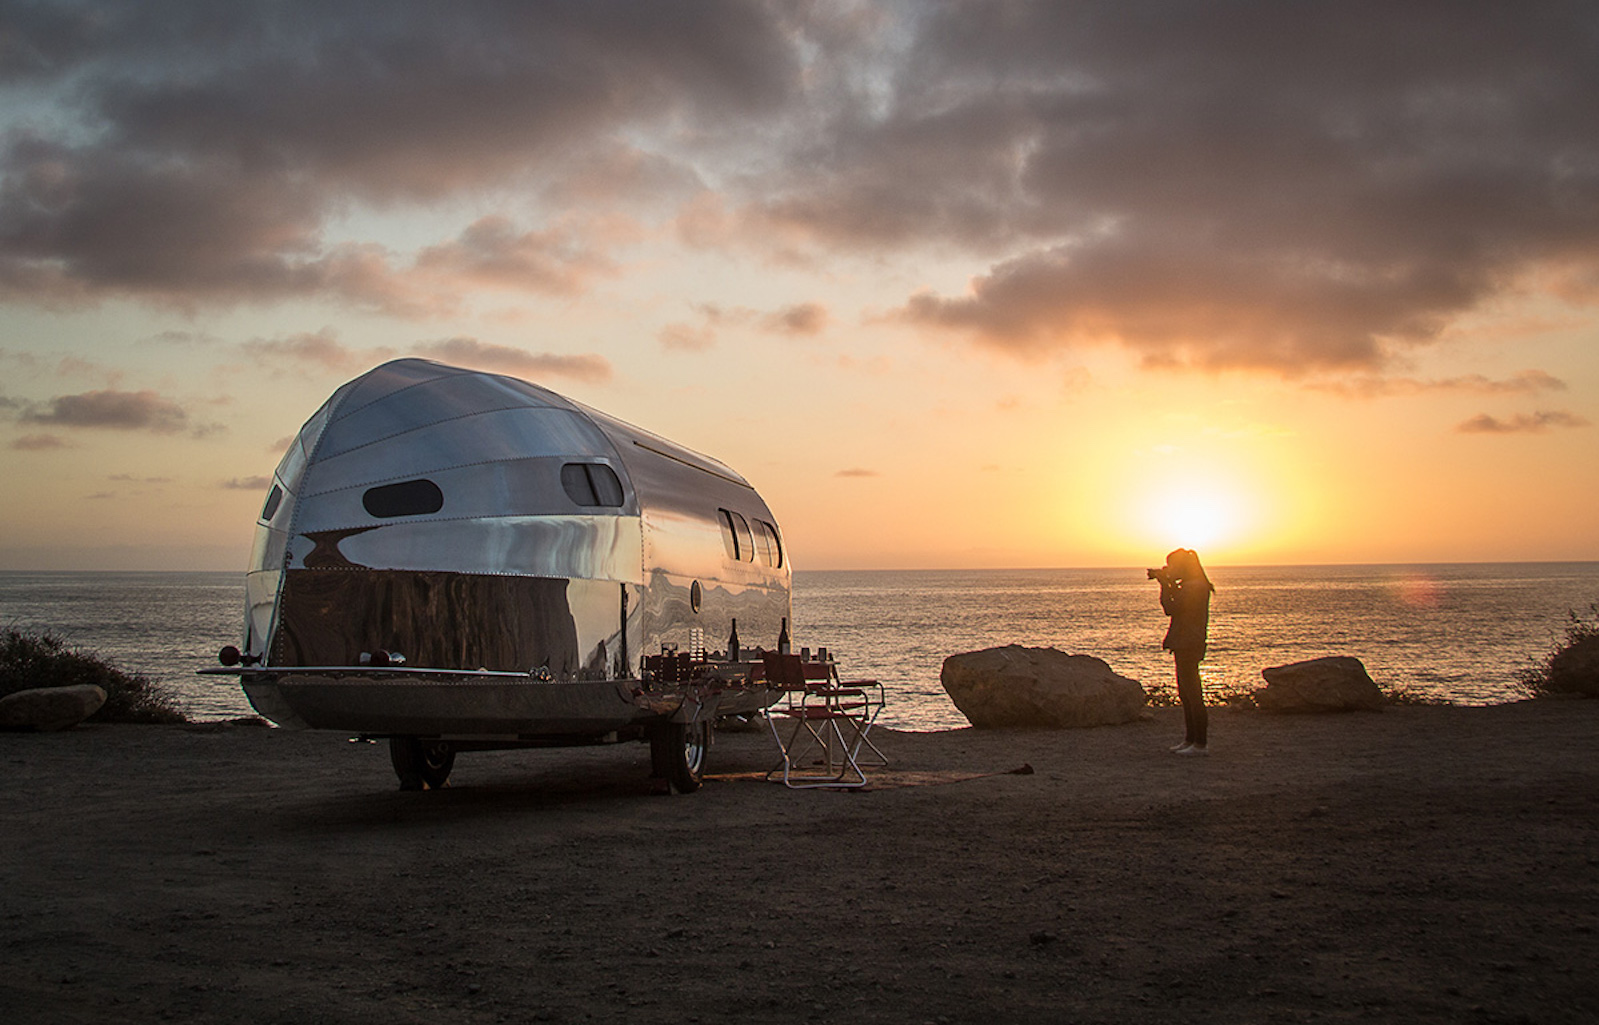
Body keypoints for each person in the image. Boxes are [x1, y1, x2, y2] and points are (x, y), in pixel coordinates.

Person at [1151, 548, 1214, 755]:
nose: (1170, 570)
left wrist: (1165, 584)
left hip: (1189, 642)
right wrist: (1168, 583)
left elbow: (1171, 608)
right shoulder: (1193, 585)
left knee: (1193, 694)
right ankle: (1190, 740)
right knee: (1186, 693)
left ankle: (1200, 743)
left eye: (1172, 566)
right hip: (1185, 641)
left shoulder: (1194, 587)